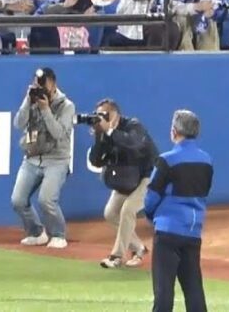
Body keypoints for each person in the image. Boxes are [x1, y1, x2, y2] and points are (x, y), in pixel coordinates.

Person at [144, 109, 213, 312]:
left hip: (168, 231)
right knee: (194, 290)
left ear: (174, 131)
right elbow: (204, 191)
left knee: (164, 292)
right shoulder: (206, 160)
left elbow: (151, 197)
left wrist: (153, 217)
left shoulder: (166, 160)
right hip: (193, 231)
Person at [87, 99, 158, 270]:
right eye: (98, 115)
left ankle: (116, 256)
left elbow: (133, 143)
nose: (101, 118)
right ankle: (139, 248)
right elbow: (96, 161)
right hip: (128, 179)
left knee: (128, 210)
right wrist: (99, 136)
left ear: (115, 115)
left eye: (104, 114)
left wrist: (110, 131)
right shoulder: (105, 132)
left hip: (149, 176)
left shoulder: (134, 126)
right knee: (111, 213)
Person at [11, 67, 75, 249]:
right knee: (18, 200)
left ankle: (58, 235)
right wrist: (27, 101)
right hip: (32, 158)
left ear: (53, 84)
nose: (41, 89)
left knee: (46, 200)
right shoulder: (32, 100)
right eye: (37, 84)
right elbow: (18, 124)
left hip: (57, 160)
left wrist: (46, 109)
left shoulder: (67, 106)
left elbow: (58, 133)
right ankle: (36, 233)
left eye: (44, 85)